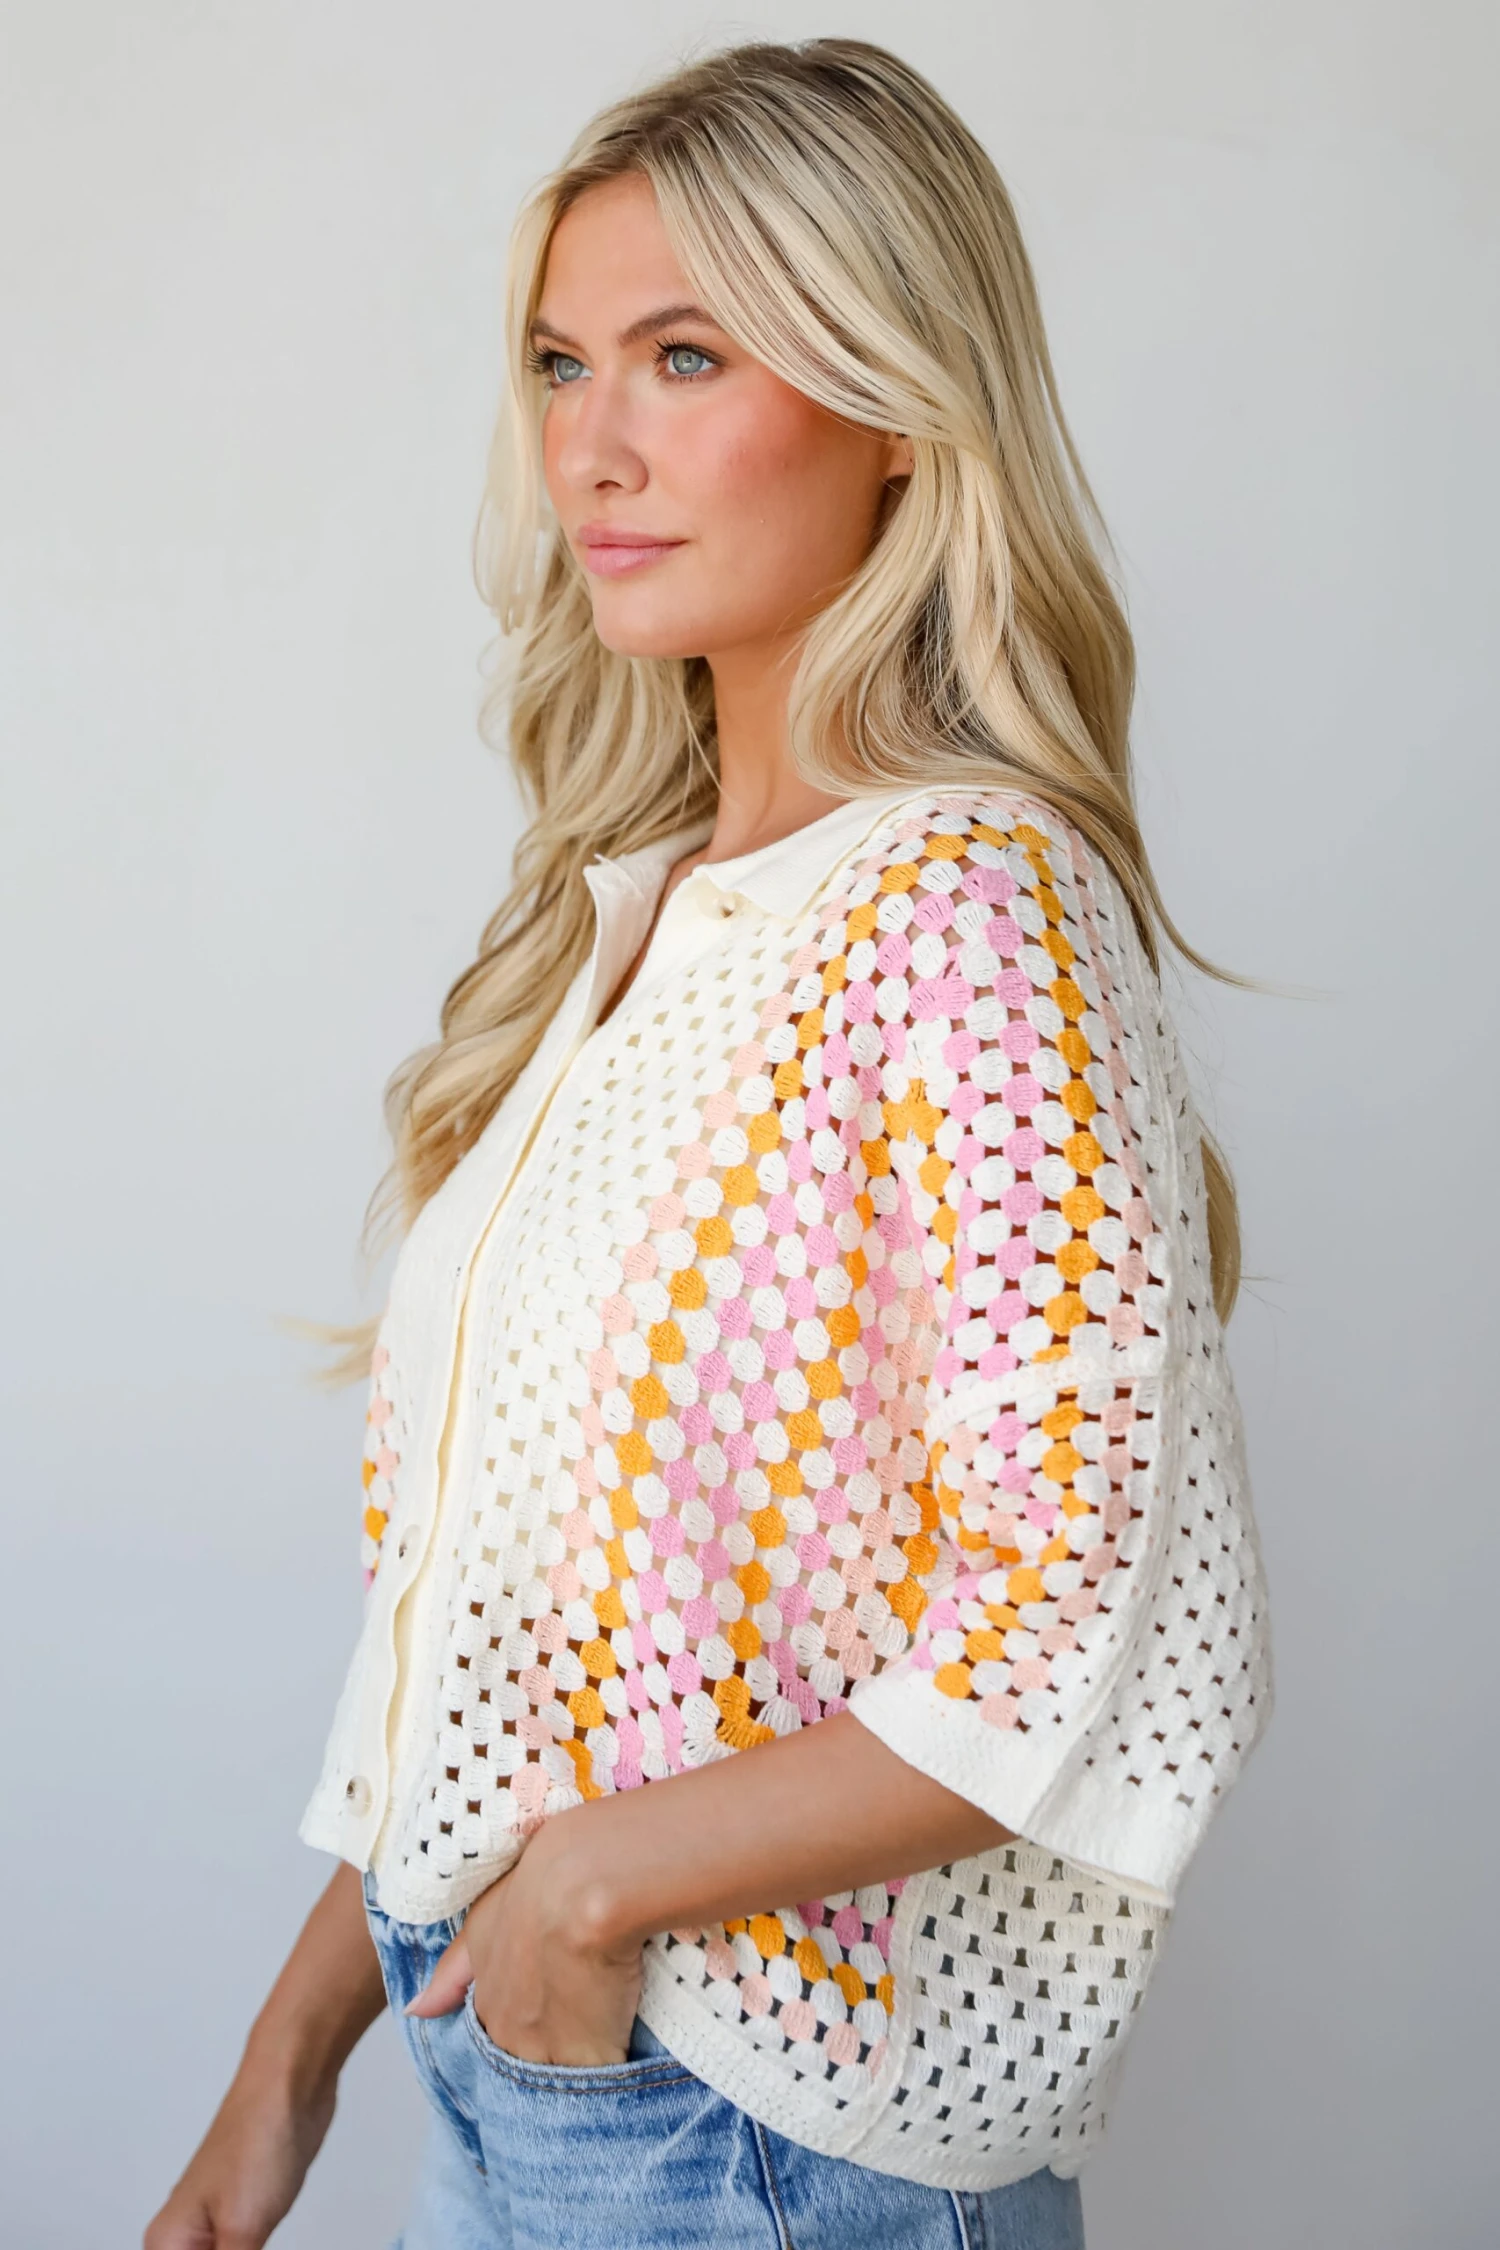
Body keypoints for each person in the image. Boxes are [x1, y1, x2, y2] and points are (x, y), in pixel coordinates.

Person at [146, 37, 1272, 2250]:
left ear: (896, 401)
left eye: (686, 355)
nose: (594, 444)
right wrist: (290, 2062)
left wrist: (591, 1896)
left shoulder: (969, 903)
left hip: (756, 2139)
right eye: (562, 363)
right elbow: (522, 1629)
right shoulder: (642, 916)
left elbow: (1073, 1620)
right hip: (517, 2068)